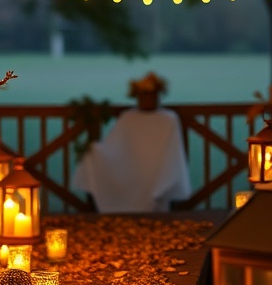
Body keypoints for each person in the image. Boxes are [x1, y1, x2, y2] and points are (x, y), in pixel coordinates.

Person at [72, 72, 192, 213]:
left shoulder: (169, 119)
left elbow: (172, 155)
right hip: (135, 170)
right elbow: (115, 146)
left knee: (153, 187)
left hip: (152, 174)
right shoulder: (128, 117)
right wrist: (94, 151)